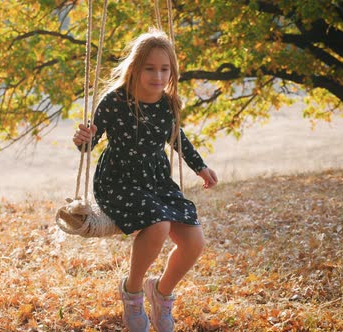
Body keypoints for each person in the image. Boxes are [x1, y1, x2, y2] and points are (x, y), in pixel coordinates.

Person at [72, 28, 218, 332]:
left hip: (156, 180)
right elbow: (90, 142)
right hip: (119, 179)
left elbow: (178, 137)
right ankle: (133, 292)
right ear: (135, 68)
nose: (158, 75)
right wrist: (83, 137)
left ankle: (161, 294)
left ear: (172, 71)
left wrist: (200, 167)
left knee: (194, 242)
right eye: (150, 68)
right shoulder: (114, 101)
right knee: (159, 224)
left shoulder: (168, 104)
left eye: (165, 69)